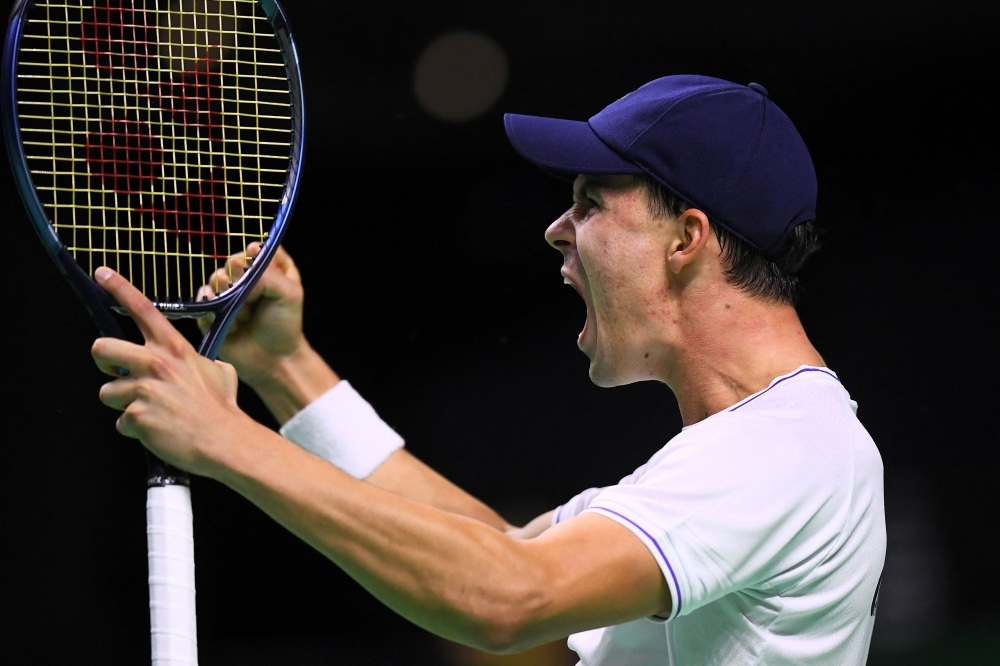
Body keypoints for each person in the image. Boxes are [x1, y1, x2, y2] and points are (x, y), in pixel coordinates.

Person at [90, 75, 886, 665]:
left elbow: (508, 595)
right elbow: (496, 555)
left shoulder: (786, 450)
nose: (555, 230)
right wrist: (285, 368)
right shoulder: (762, 450)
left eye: (589, 201)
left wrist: (225, 441)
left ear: (686, 238)